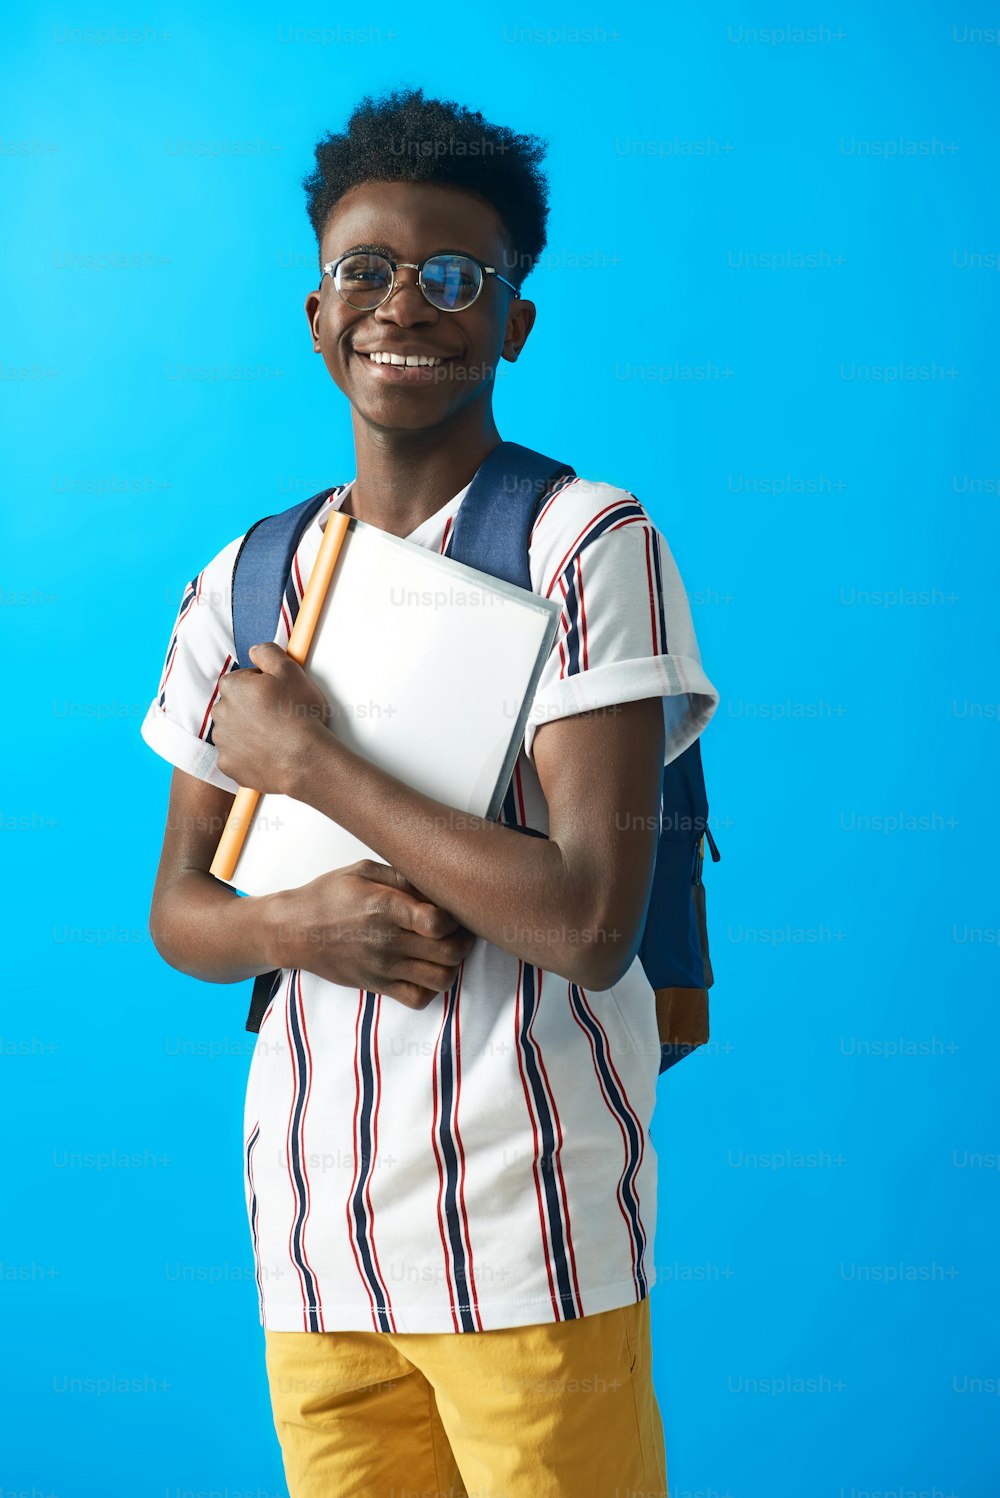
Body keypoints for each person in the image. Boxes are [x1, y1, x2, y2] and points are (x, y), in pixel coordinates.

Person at [140, 85, 718, 1498]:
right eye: (369, 271)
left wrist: (317, 764)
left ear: (513, 318)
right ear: (319, 312)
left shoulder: (585, 544)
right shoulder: (246, 577)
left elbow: (589, 918)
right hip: (313, 1235)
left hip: (525, 1226)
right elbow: (180, 910)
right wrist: (301, 927)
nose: (408, 304)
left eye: (457, 275)